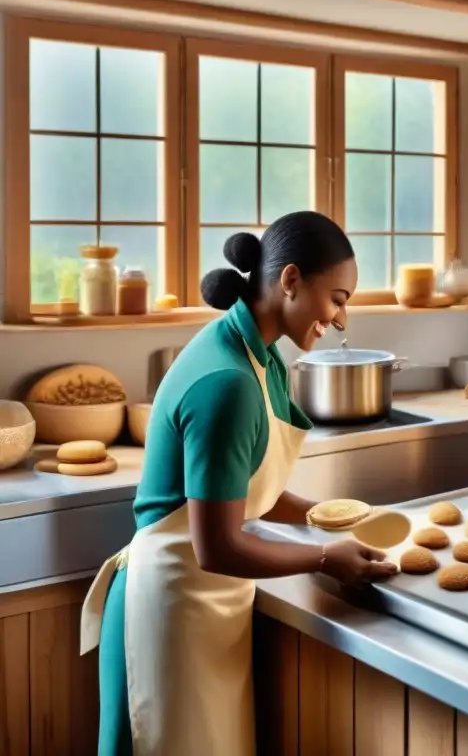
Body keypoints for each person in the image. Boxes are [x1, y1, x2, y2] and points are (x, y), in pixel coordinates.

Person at [80, 211, 398, 756]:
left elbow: (246, 494)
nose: (343, 319)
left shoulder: (261, 356)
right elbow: (217, 544)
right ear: (291, 280)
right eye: (338, 298)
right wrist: (326, 557)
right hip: (169, 614)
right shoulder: (228, 383)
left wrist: (330, 514)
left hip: (206, 612)